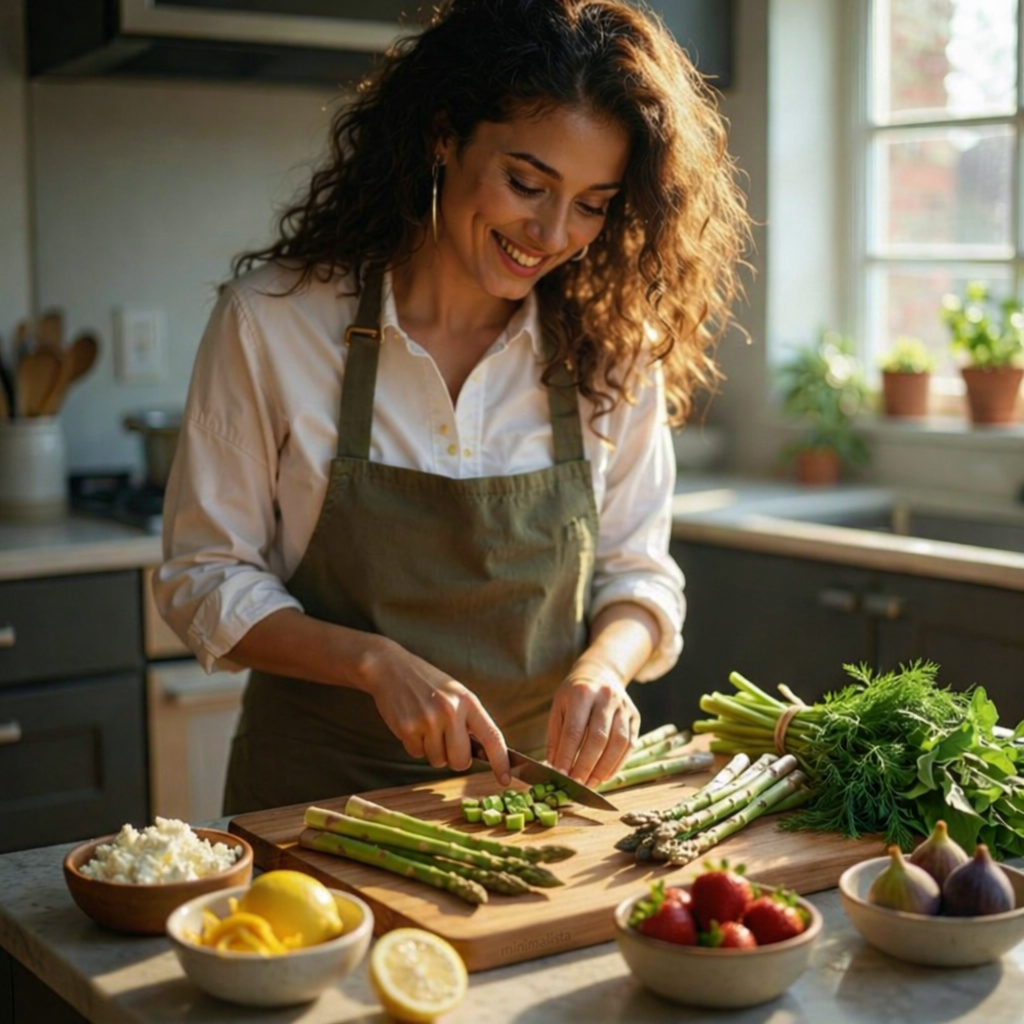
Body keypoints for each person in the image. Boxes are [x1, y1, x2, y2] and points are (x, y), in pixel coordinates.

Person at [154, 0, 751, 815]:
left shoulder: (611, 352)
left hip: (536, 810)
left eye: (593, 202)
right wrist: (371, 662)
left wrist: (604, 668)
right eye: (526, 182)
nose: (551, 231)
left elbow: (638, 573)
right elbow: (204, 575)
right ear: (444, 134)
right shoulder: (275, 323)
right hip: (316, 808)